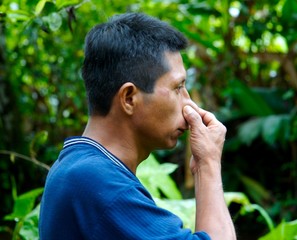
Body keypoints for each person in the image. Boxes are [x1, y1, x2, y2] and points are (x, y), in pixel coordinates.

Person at [39, 12, 236, 240]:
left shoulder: (77, 167)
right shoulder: (99, 184)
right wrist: (208, 164)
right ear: (129, 98)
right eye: (178, 87)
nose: (189, 104)